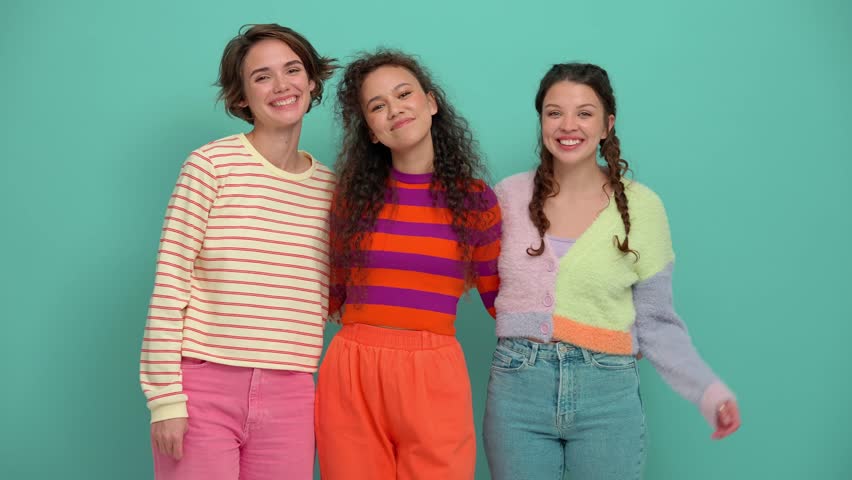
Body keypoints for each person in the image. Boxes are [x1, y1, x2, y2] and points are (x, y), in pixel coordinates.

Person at [483, 62, 741, 480]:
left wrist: (707, 390)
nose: (568, 125)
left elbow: (657, 323)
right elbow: (470, 277)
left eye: (585, 113)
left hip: (607, 393)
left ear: (607, 124)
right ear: (542, 121)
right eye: (554, 112)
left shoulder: (643, 207)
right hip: (517, 390)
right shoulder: (508, 196)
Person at [139, 23, 337, 480]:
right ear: (242, 96)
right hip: (203, 386)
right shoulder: (210, 167)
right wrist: (165, 398)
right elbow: (171, 282)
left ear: (311, 81)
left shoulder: (330, 190)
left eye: (293, 70)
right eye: (262, 76)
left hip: (291, 391)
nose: (282, 85)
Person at [315, 49, 501, 480]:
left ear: (431, 103)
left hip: (434, 371)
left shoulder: (476, 201)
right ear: (372, 132)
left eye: (403, 94)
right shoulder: (351, 201)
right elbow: (327, 295)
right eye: (377, 106)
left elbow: (501, 300)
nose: (394, 109)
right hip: (352, 373)